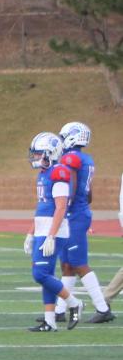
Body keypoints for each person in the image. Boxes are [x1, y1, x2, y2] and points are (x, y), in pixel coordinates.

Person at [57, 121, 112, 323]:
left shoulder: (70, 157)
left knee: (79, 263)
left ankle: (103, 308)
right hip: (79, 211)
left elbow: (70, 188)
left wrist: (63, 207)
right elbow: (88, 193)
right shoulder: (86, 158)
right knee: (67, 265)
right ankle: (60, 310)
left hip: (73, 214)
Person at [24, 132, 79, 331]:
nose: (35, 157)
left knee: (40, 274)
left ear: (50, 153)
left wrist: (50, 235)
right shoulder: (44, 173)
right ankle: (49, 321)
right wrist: (31, 232)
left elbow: (61, 208)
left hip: (53, 232)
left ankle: (74, 303)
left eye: (38, 154)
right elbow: (42, 206)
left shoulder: (59, 172)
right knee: (44, 273)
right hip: (43, 229)